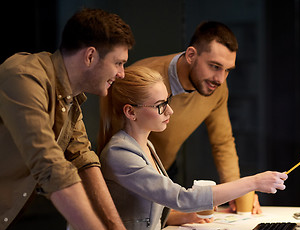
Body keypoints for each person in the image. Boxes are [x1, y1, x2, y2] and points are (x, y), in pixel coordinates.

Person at [98, 66, 288, 230]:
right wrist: (253, 182)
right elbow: (182, 198)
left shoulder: (146, 145)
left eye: (167, 101)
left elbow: (145, 210)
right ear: (131, 112)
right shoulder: (120, 153)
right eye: (160, 105)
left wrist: (176, 217)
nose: (170, 111)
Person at [98, 21, 260, 214]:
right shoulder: (142, 78)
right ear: (191, 55)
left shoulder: (216, 88)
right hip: (129, 173)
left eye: (227, 70)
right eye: (215, 66)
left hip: (163, 170)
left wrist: (234, 192)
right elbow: (113, 139)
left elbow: (222, 142)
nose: (220, 78)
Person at [0, 8, 135, 230]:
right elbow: (49, 165)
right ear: (90, 56)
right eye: (118, 63)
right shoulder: (24, 76)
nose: (122, 73)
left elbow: (83, 159)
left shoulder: (71, 99)